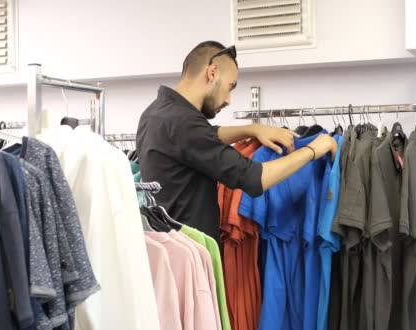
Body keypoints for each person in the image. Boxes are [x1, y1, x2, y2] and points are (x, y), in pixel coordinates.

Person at [137, 41, 338, 243]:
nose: (229, 99)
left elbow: (203, 138)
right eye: (230, 87)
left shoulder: (157, 112)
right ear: (212, 72)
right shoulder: (184, 122)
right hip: (190, 259)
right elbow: (254, 178)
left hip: (169, 249)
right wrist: (313, 150)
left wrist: (252, 129)